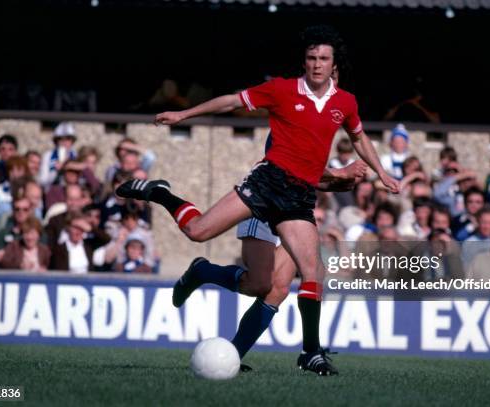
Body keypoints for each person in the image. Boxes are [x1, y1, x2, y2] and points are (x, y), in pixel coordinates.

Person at [116, 25, 398, 376]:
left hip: (298, 198)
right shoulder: (281, 90)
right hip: (266, 185)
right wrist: (184, 114)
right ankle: (160, 194)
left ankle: (310, 353)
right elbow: (232, 101)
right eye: (311, 58)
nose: (317, 65)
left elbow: (358, 138)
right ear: (305, 60)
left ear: (334, 63)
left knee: (309, 275)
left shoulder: (345, 103)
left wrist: (382, 172)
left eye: (324, 59)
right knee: (200, 233)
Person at [39, 122, 78, 188]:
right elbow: (43, 180)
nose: (64, 142)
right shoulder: (48, 156)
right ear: (56, 141)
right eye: (61, 139)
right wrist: (55, 171)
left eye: (68, 138)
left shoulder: (76, 155)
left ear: (72, 141)